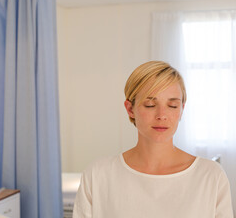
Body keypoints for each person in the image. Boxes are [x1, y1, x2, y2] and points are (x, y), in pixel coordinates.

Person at [73, 61, 234, 218]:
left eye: (172, 106)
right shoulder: (98, 175)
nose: (161, 115)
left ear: (181, 110)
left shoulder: (211, 177)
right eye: (150, 105)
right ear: (130, 109)